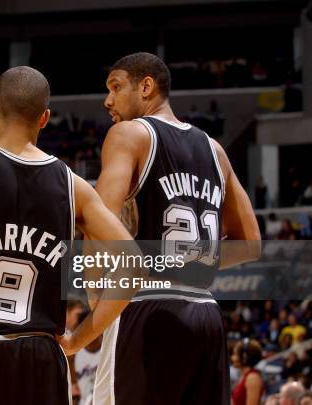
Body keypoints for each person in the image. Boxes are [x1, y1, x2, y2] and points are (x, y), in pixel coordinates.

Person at [0, 66, 135, 405]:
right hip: (41, 356)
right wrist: (80, 337)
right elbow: (132, 263)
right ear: (45, 118)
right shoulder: (74, 186)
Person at [92, 52, 261, 404]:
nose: (108, 99)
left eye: (116, 87)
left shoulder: (128, 135)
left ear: (146, 87)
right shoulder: (215, 150)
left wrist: (96, 304)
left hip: (146, 308)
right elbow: (250, 245)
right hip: (206, 314)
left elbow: (97, 221)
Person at [231, 338, 264, 405]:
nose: (232, 357)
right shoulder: (244, 376)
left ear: (244, 358)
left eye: (235, 354)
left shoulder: (252, 378)